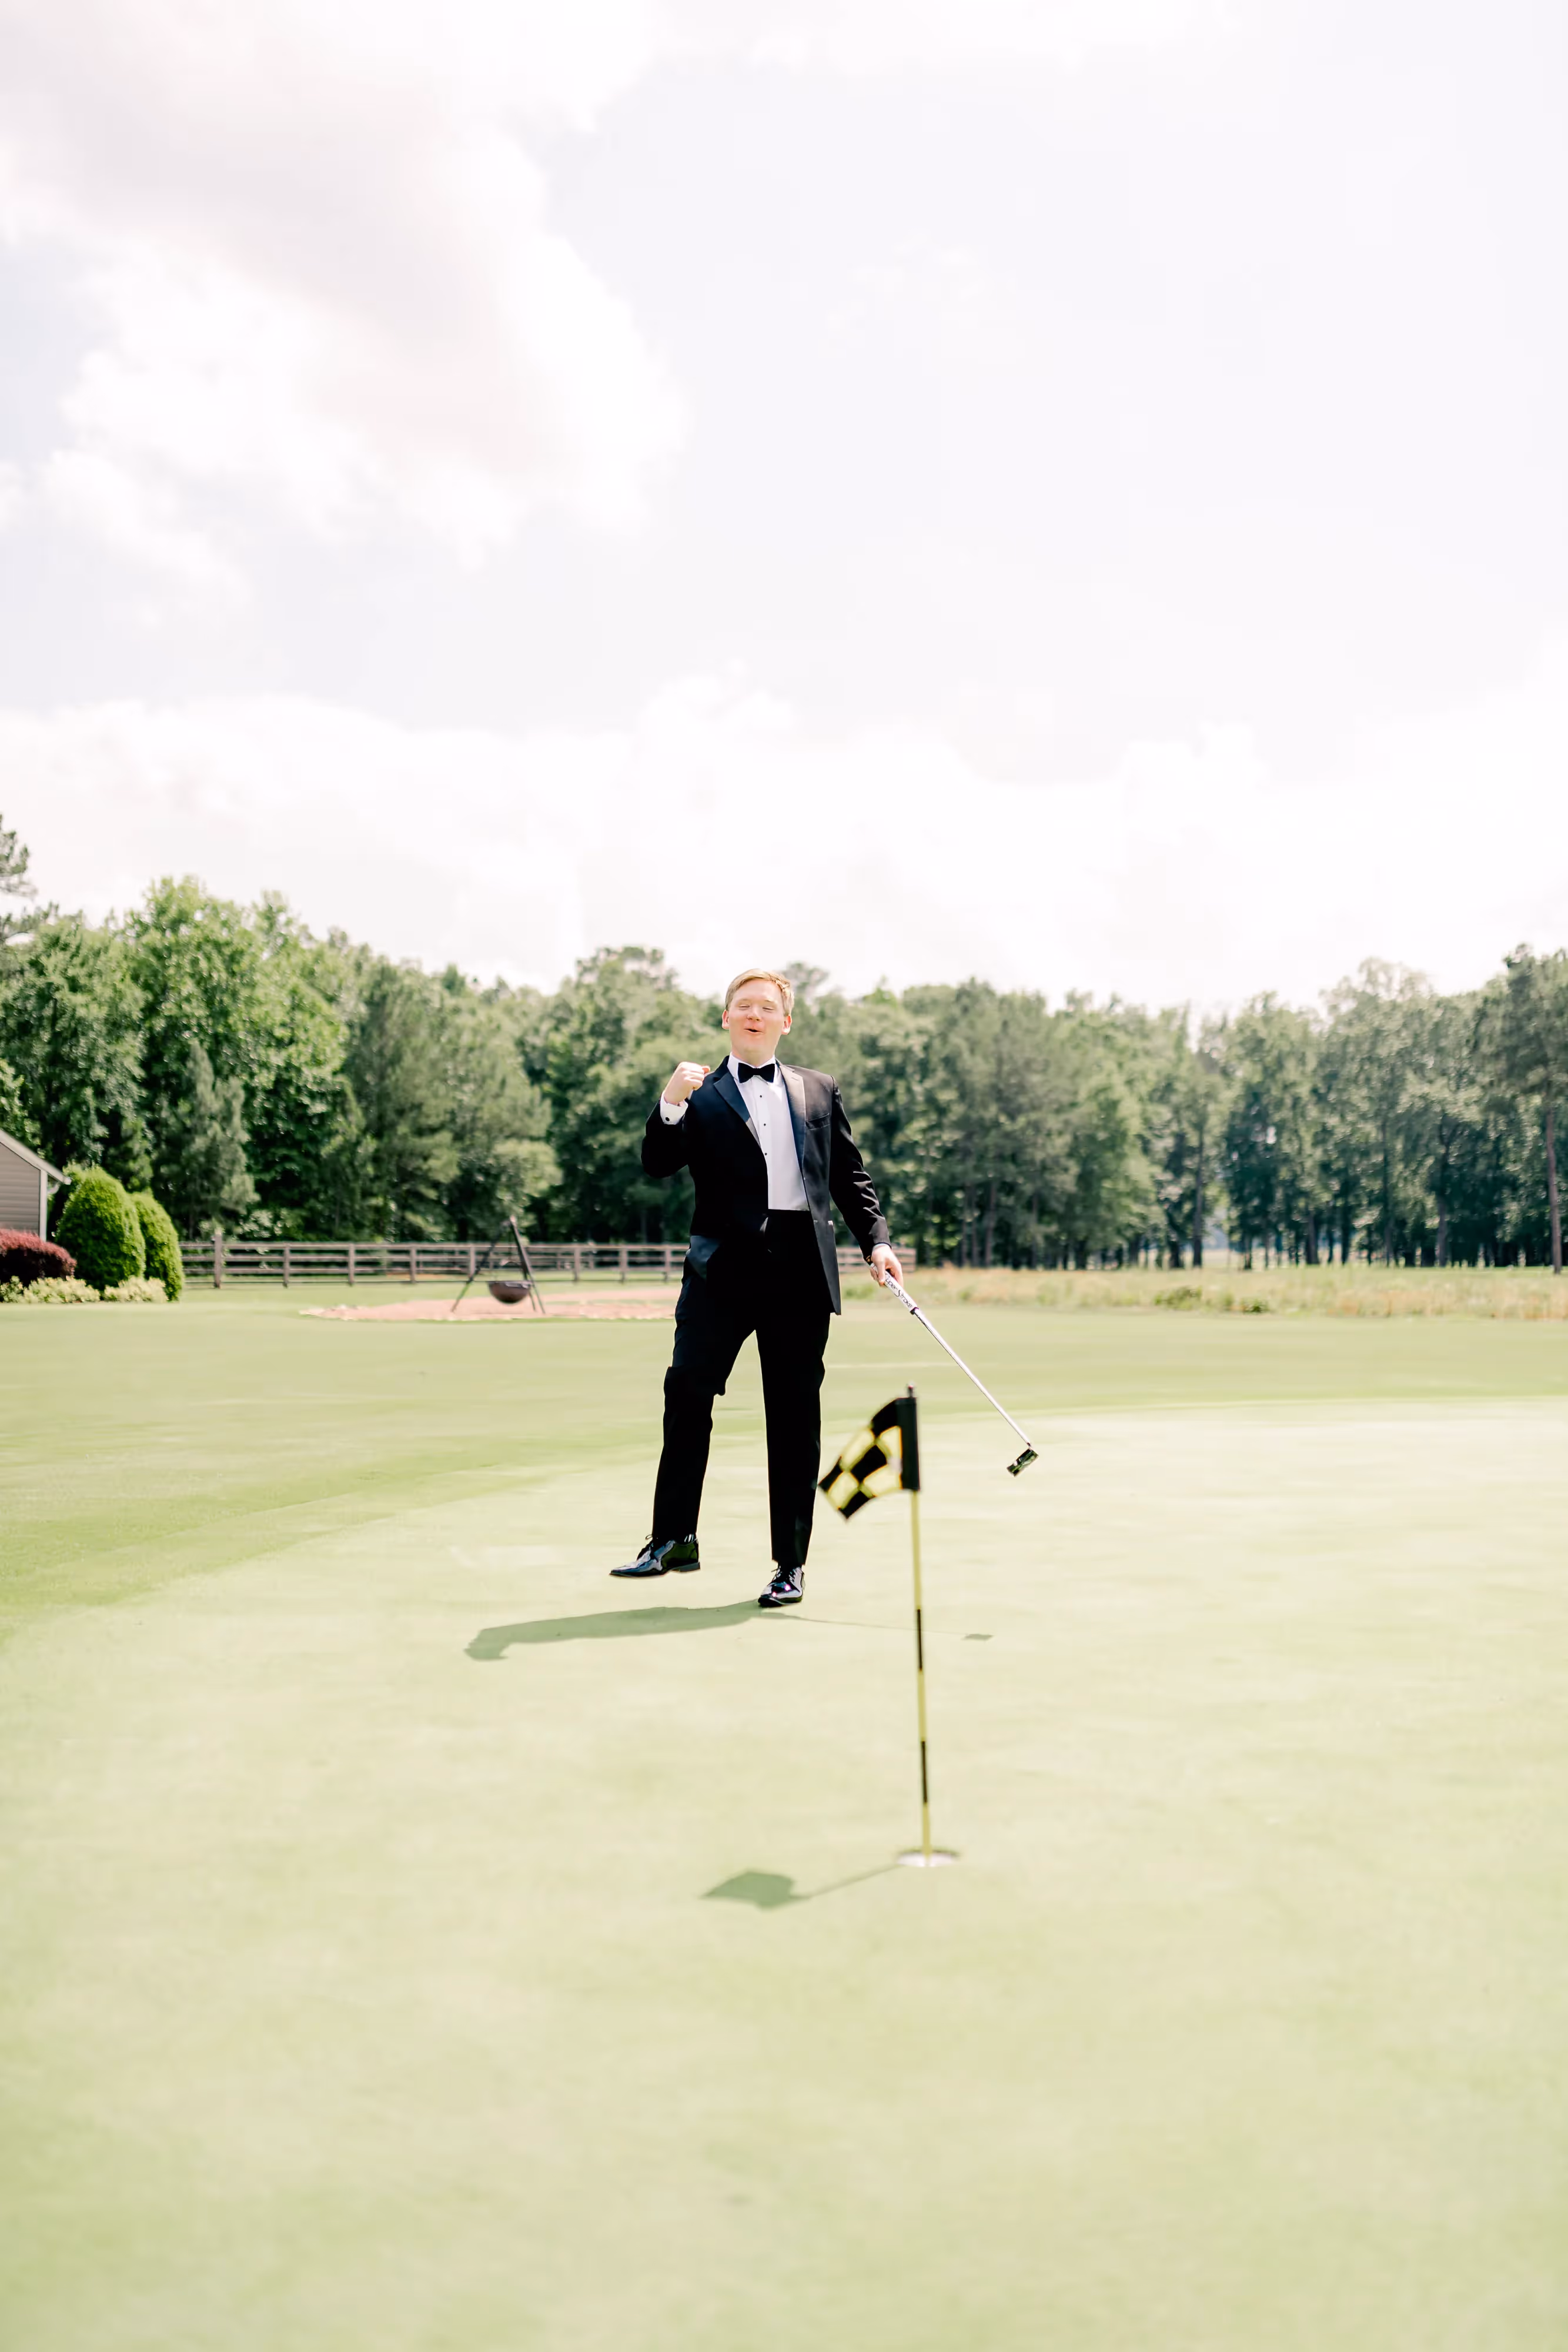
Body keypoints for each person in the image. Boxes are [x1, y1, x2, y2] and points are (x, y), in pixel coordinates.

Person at [611, 967, 902, 1607]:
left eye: (766, 1007)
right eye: (742, 1005)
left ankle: (789, 1564)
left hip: (800, 1269)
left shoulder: (820, 1090)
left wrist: (877, 1241)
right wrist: (669, 1103)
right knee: (687, 1388)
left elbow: (850, 1177)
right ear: (726, 1018)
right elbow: (657, 1161)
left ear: (785, 1021)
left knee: (795, 1417)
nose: (753, 1014)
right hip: (722, 1269)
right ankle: (671, 1538)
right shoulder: (701, 1092)